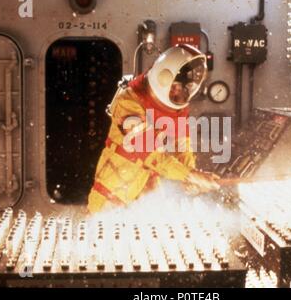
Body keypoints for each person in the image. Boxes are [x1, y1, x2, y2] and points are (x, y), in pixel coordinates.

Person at [87, 44, 219, 213]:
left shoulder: (177, 107)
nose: (178, 91)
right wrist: (190, 175)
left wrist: (191, 176)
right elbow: (149, 152)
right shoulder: (128, 102)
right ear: (163, 77)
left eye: (182, 88)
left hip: (147, 196)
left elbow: (182, 147)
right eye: (175, 86)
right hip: (113, 195)